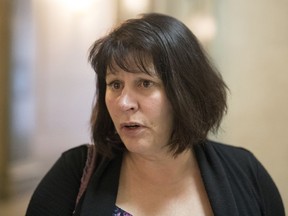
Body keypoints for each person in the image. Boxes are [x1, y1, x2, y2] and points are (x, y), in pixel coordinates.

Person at [26, 13, 285, 216]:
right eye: (115, 84)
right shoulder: (73, 173)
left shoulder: (245, 172)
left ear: (186, 92)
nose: (124, 102)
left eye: (145, 83)